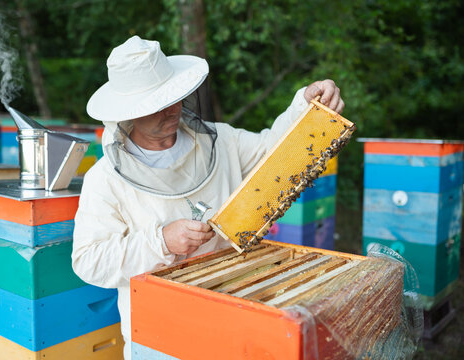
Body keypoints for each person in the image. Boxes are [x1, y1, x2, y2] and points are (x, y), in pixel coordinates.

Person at [72, 35, 344, 359]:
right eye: (157, 104)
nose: (173, 109)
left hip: (234, 306)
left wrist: (305, 106)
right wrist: (161, 241)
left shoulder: (221, 140)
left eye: (173, 96)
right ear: (128, 112)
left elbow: (275, 154)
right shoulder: (104, 180)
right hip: (160, 332)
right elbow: (88, 260)